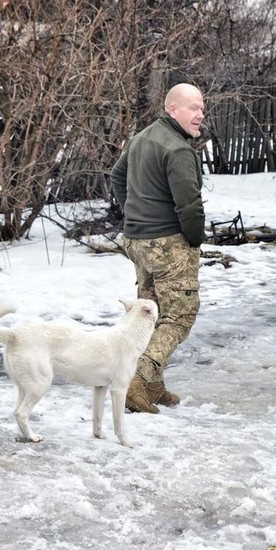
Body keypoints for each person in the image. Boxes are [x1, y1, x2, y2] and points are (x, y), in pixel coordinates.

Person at [110, 83, 206, 414]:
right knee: (179, 315)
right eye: (192, 107)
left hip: (138, 241)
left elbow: (116, 178)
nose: (200, 114)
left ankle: (151, 384)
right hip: (168, 244)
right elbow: (189, 205)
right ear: (172, 109)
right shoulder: (178, 150)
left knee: (151, 315)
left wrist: (133, 214)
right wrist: (194, 239)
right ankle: (138, 379)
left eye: (202, 108)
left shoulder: (141, 138)